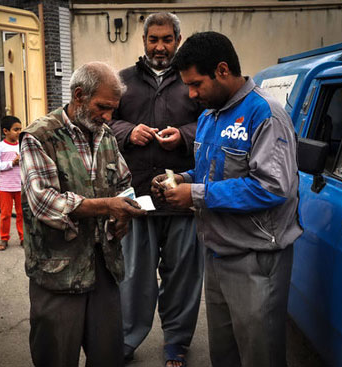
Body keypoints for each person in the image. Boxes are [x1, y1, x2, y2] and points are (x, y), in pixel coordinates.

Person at [154, 32, 303, 367]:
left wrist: (194, 194)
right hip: (217, 252)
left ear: (222, 70)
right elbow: (211, 174)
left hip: (256, 258)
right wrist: (180, 180)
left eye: (196, 84)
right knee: (224, 354)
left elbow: (272, 187)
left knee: (258, 354)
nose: (191, 95)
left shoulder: (265, 113)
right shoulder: (209, 115)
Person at [19, 61, 147, 367]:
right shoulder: (39, 136)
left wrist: (123, 216)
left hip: (104, 268)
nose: (108, 117)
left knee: (107, 355)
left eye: (113, 110)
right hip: (58, 271)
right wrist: (106, 206)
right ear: (78, 95)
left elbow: (123, 183)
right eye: (102, 107)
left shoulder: (105, 136)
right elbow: (44, 202)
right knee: (56, 357)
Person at [108, 12, 204, 367]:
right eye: (153, 39)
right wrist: (128, 131)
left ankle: (176, 343)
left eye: (167, 39)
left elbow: (209, 122)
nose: (160, 46)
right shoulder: (123, 81)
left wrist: (184, 135)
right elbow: (106, 119)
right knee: (134, 277)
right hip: (136, 196)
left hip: (182, 196)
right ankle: (128, 340)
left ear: (178, 40)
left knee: (182, 276)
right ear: (144, 41)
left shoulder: (191, 78)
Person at [0, 115, 24, 251]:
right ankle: (4, 238)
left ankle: (23, 238)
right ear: (6, 131)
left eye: (20, 129)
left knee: (22, 213)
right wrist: (12, 163)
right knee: (5, 214)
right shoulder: (0, 147)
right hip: (5, 186)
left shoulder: (22, 146)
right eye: (16, 129)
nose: (18, 132)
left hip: (20, 185)